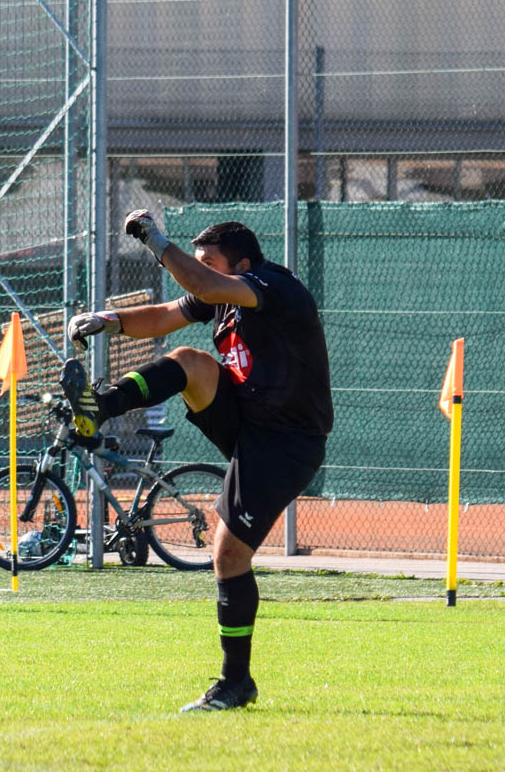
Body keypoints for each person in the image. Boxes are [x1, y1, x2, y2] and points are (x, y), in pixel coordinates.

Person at [63, 213, 333, 713]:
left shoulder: (274, 286)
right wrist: (109, 321)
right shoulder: (222, 298)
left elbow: (202, 283)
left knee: (227, 554)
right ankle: (98, 408)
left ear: (243, 266)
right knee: (188, 361)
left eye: (209, 260)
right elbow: (165, 314)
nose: (199, 269)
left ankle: (236, 682)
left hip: (287, 441)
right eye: (199, 260)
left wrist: (156, 242)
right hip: (249, 423)